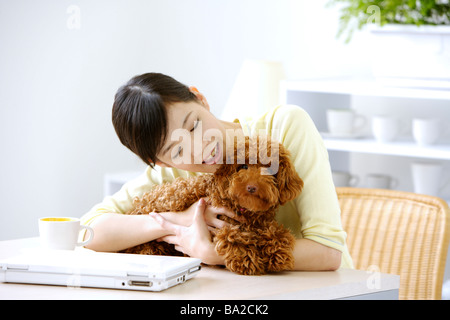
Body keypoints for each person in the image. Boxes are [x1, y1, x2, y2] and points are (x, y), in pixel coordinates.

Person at [80, 72, 353, 270]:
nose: (201, 149)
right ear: (162, 163)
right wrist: (179, 218)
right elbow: (87, 232)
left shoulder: (283, 128)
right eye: (177, 150)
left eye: (194, 125)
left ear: (200, 98)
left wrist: (219, 254)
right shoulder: (174, 174)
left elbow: (328, 252)